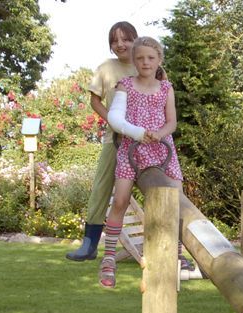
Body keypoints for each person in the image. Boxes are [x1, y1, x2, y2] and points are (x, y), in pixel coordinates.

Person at [99, 36, 184, 288]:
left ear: (159, 60)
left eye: (150, 57)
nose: (145, 62)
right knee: (121, 200)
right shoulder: (125, 85)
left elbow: (172, 122)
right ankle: (109, 257)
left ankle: (178, 254)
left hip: (162, 149)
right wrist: (138, 133)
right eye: (140, 58)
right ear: (134, 61)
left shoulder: (166, 88)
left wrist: (159, 134)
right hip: (132, 148)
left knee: (177, 198)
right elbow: (116, 118)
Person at [65, 21, 138, 262]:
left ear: (135, 40)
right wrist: (114, 123)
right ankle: (89, 244)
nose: (120, 44)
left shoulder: (147, 64)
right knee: (101, 188)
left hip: (146, 140)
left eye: (125, 39)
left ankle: (174, 249)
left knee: (160, 187)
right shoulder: (106, 68)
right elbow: (95, 100)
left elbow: (162, 93)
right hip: (114, 140)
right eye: (114, 40)